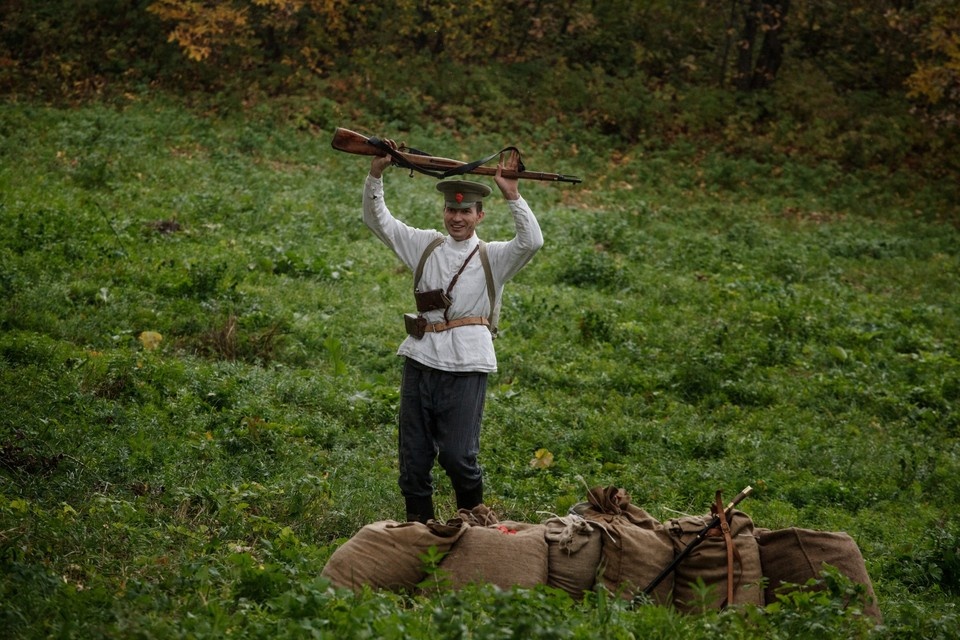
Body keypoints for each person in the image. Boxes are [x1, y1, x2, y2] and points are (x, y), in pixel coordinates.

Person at [362, 140, 544, 523]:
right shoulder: (426, 246)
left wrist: (512, 195)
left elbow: (532, 242)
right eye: (451, 209)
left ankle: (471, 521)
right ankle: (419, 532)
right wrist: (376, 174)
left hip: (466, 364)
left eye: (465, 211)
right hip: (420, 359)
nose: (456, 217)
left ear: (479, 215)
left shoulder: (493, 256)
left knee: (458, 456)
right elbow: (379, 222)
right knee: (413, 460)